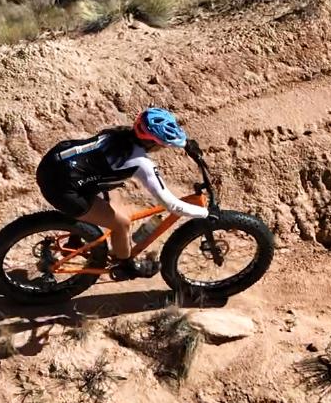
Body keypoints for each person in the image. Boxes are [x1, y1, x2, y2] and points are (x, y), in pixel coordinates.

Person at [35, 107, 210, 280]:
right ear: (153, 143)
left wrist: (186, 144)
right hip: (61, 187)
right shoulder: (141, 163)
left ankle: (77, 236)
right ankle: (125, 266)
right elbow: (171, 205)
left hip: (55, 164)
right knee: (122, 224)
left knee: (114, 199)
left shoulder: (120, 135)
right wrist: (205, 214)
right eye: (163, 145)